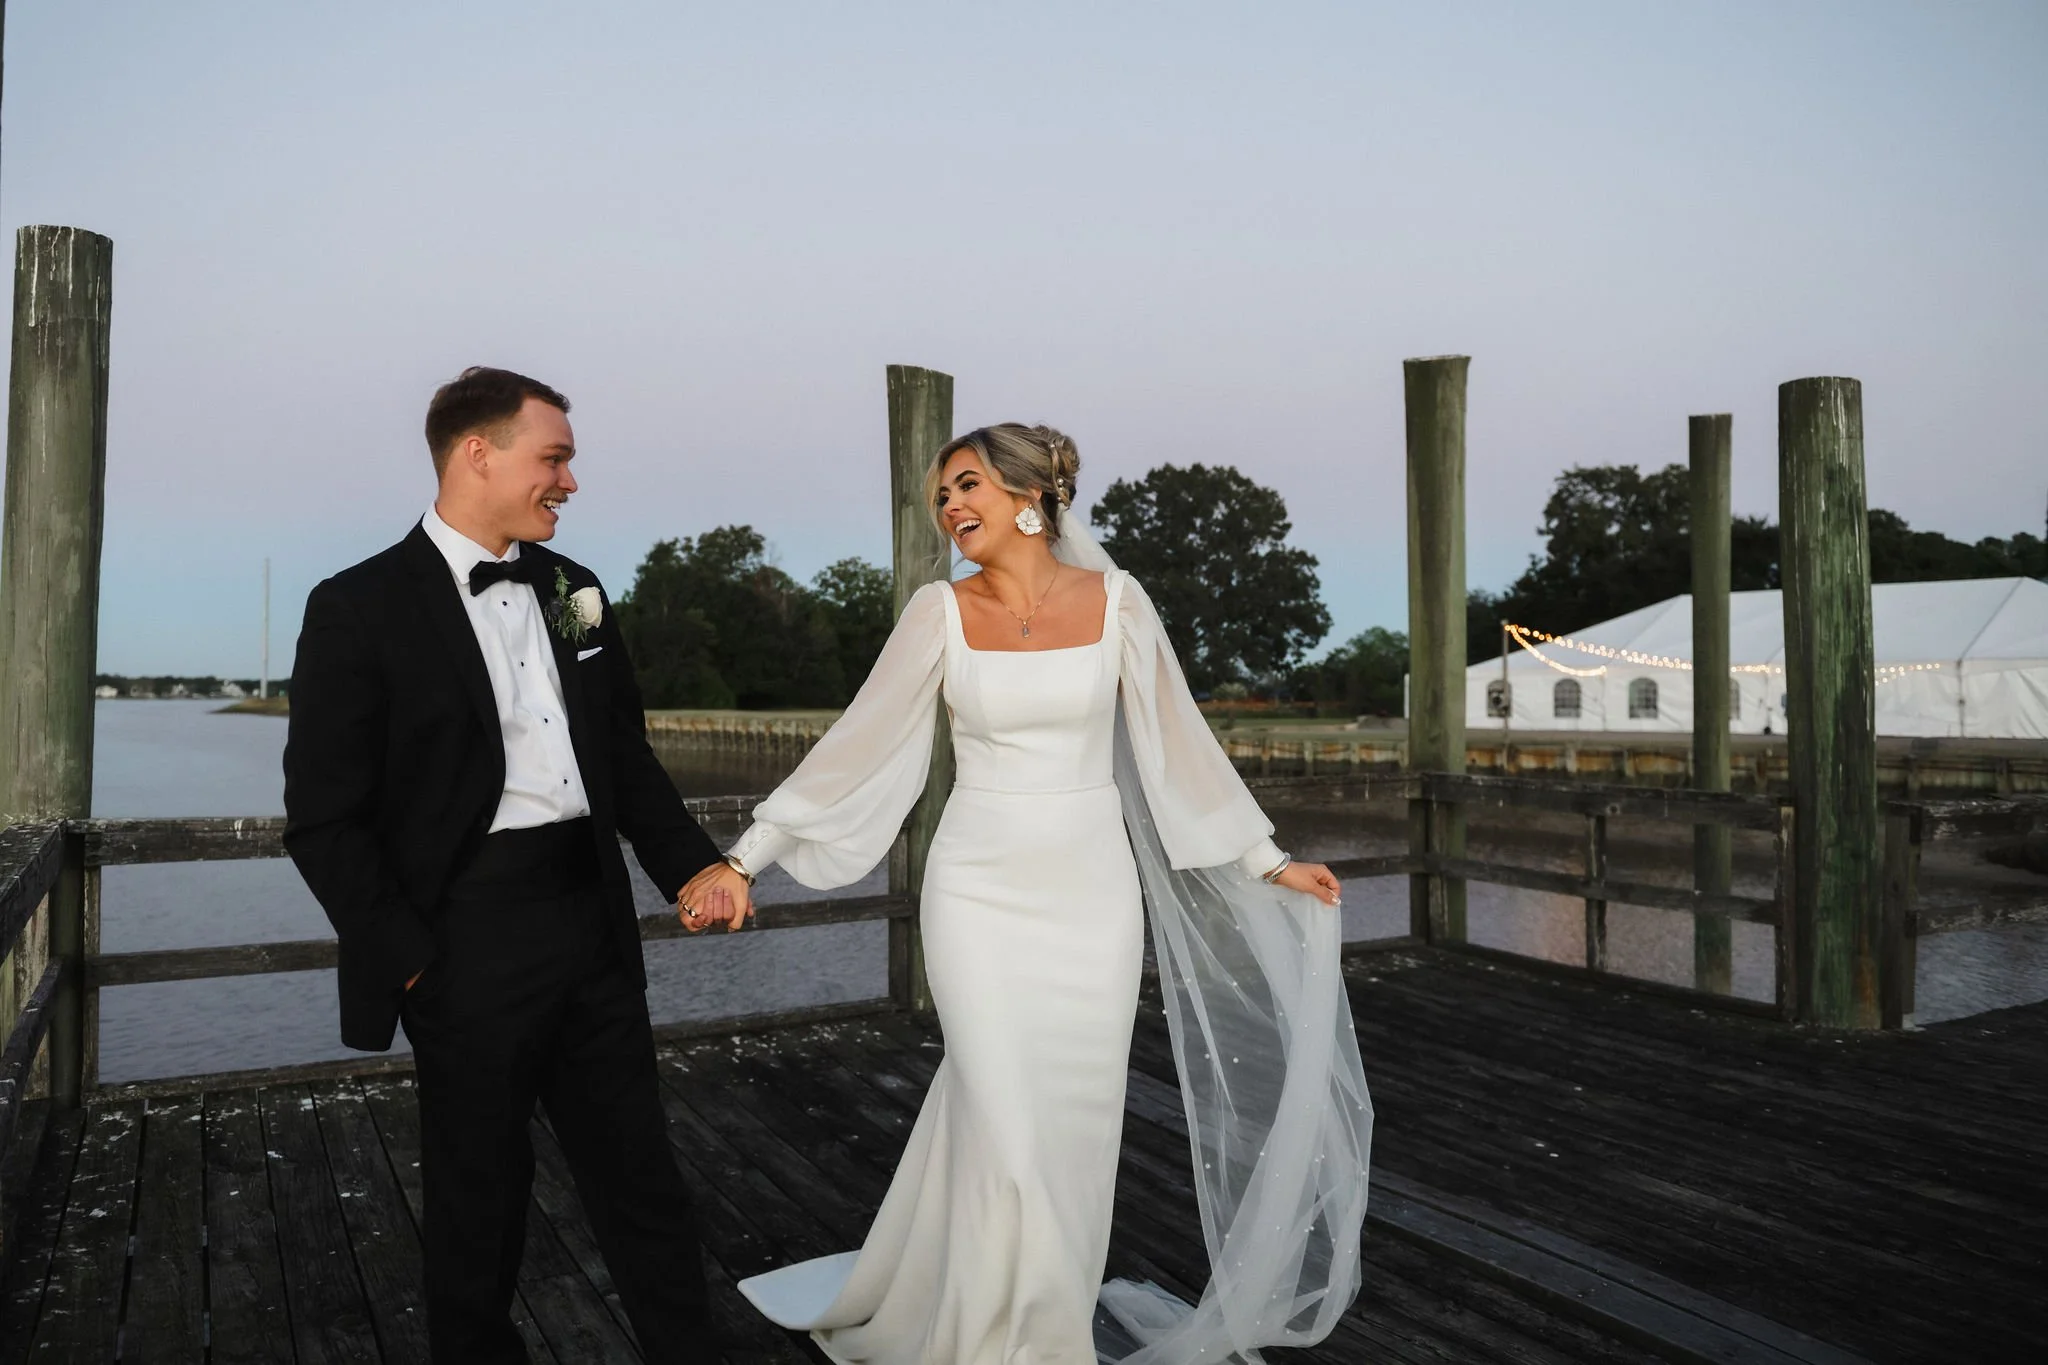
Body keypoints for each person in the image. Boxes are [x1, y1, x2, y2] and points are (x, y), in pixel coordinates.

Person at [712, 423, 1374, 1364]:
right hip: (976, 887)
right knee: (1002, 1114)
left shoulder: (1120, 603)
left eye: (967, 486)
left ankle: (1042, 1325)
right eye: (942, 495)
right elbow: (855, 746)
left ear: (1030, 495)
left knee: (1072, 1123)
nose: (950, 509)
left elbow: (1178, 743)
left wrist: (1265, 859)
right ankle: (990, 1342)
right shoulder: (936, 613)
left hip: (1091, 894)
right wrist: (748, 854)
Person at [282, 366, 748, 1363]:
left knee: (642, 1179)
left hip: (589, 921)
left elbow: (623, 754)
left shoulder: (573, 590)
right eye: (556, 458)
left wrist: (691, 869)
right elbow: (323, 821)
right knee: (477, 1200)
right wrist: (411, 959)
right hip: (463, 942)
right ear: (475, 455)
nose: (569, 483)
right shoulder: (356, 607)